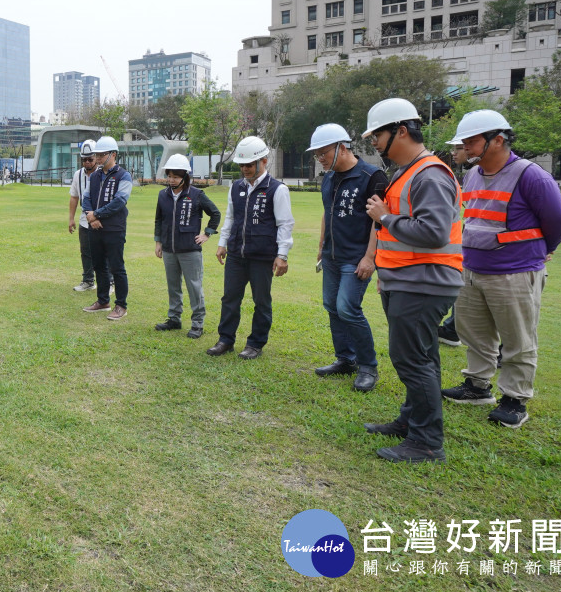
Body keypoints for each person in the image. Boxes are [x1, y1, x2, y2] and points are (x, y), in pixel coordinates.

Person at [439, 110, 561, 429]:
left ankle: (515, 398)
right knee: (474, 332)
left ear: (498, 140)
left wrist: (543, 250)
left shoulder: (531, 176)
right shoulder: (473, 174)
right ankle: (477, 386)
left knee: (517, 337)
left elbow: (558, 222)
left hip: (515, 271)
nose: (465, 147)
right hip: (471, 268)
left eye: (471, 141)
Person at [361, 98, 462, 464]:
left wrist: (385, 218)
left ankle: (426, 442)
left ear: (401, 131)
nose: (373, 143)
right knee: (421, 357)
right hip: (408, 279)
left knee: (412, 359)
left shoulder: (430, 175)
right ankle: (412, 420)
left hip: (424, 282)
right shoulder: (410, 171)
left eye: (377, 135)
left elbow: (433, 232)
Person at [309, 123, 388, 392]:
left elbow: (379, 222)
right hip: (332, 255)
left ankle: (368, 367)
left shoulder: (371, 176)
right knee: (331, 306)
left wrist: (370, 258)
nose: (319, 159)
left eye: (323, 153)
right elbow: (326, 212)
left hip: (356, 258)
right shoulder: (329, 178)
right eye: (316, 154)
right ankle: (346, 359)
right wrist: (321, 246)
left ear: (342, 147)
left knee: (347, 308)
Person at [210, 136, 293, 360]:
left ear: (264, 161)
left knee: (261, 301)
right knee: (230, 298)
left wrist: (282, 255)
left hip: (262, 256)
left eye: (249, 164)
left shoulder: (277, 189)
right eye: (242, 165)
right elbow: (230, 217)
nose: (245, 169)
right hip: (237, 254)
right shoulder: (236, 187)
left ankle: (255, 343)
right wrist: (222, 243)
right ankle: (225, 340)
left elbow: (285, 224)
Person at [153, 154, 221, 337]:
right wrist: (158, 242)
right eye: (169, 176)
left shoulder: (197, 195)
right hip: (168, 249)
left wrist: (207, 233)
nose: (171, 180)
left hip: (190, 250)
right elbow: (159, 220)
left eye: (175, 177)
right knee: (173, 285)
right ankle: (174, 318)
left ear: (185, 177)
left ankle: (198, 323)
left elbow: (215, 214)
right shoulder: (163, 195)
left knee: (194, 286)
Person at [81, 135, 132, 322]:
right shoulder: (94, 176)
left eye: (102, 155)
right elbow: (86, 197)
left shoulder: (123, 176)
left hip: (114, 229)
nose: (99, 158)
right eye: (98, 155)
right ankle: (103, 301)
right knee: (99, 266)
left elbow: (120, 201)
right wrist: (90, 216)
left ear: (113, 154)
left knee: (117, 267)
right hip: (94, 228)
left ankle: (121, 305)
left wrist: (97, 214)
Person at [436, 138, 471, 347]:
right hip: (467, 245)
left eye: (459, 148)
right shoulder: (472, 175)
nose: (456, 153)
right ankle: (452, 329)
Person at [67, 139, 99, 292]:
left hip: (100, 218)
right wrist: (71, 218)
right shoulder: (78, 174)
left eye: (90, 159)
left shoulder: (102, 173)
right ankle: (88, 281)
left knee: (103, 251)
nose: (87, 162)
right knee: (85, 250)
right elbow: (74, 197)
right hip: (83, 218)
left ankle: (110, 281)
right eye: (84, 159)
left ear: (96, 158)